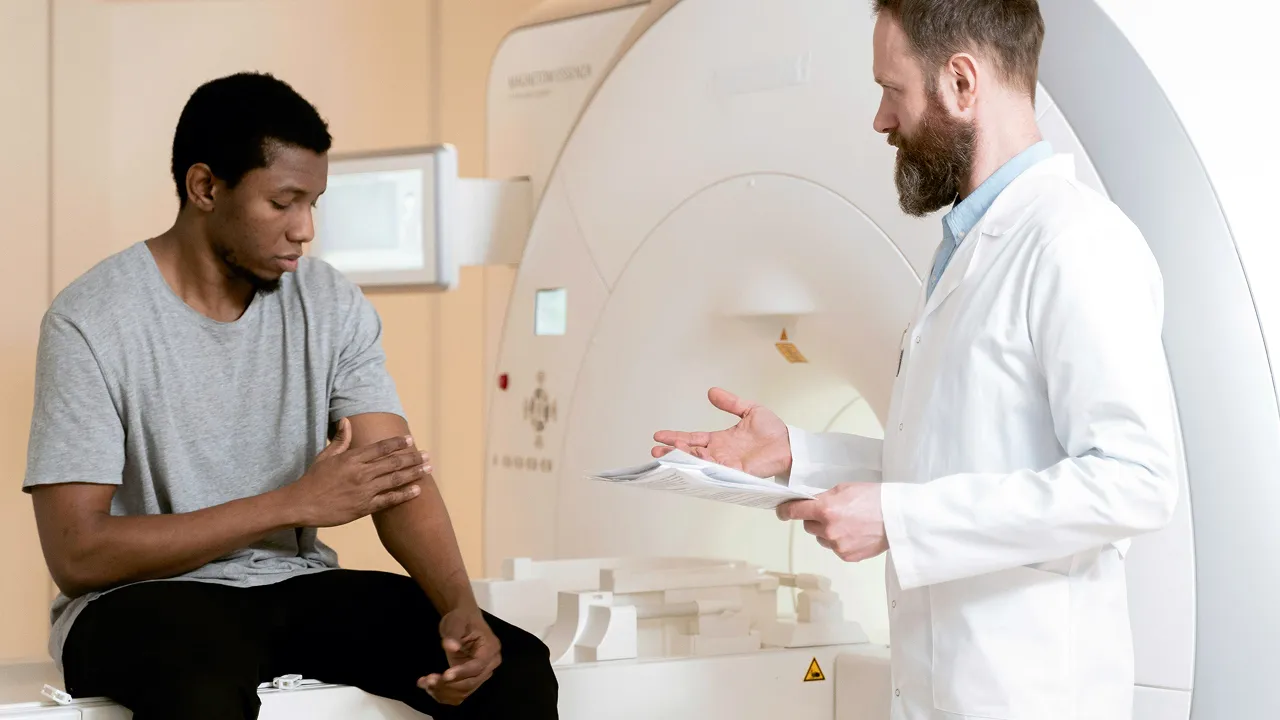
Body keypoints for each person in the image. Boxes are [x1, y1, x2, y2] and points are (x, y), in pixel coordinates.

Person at [653, 1, 1178, 719]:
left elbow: (1135, 480)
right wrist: (794, 455)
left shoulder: (1074, 243)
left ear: (962, 84)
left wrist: (899, 522)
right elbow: (958, 461)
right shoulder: (967, 248)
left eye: (891, 89)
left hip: (1031, 695)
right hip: (942, 690)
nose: (880, 118)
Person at [23, 72, 557, 720]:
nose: (305, 229)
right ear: (205, 187)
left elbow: (393, 475)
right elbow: (79, 553)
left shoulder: (330, 302)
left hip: (294, 589)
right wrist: (292, 504)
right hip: (138, 602)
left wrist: (458, 606)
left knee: (518, 668)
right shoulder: (91, 320)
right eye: (284, 202)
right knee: (204, 692)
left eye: (314, 203)